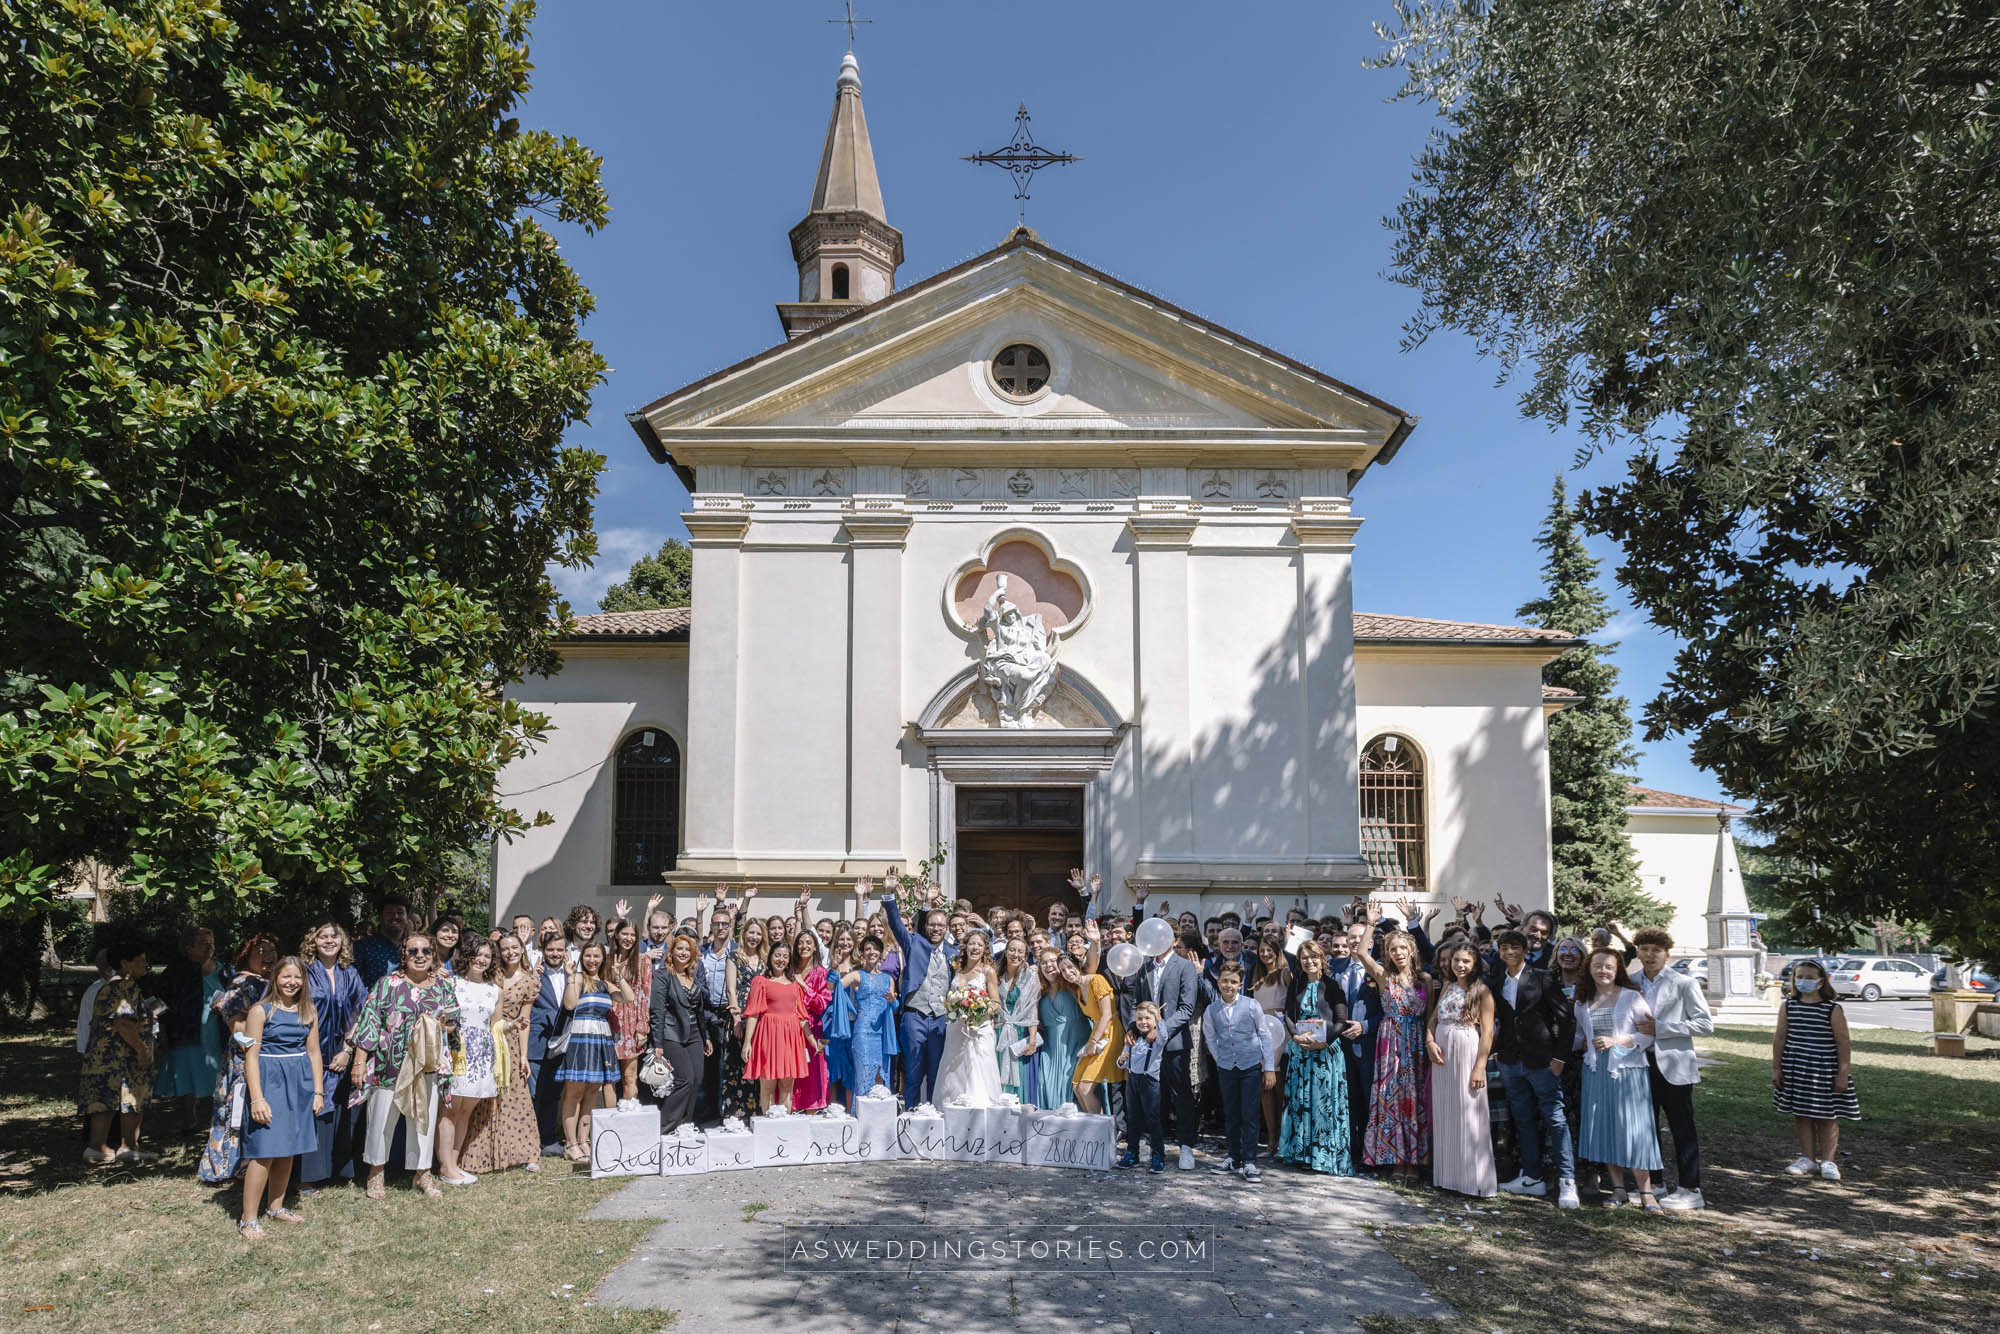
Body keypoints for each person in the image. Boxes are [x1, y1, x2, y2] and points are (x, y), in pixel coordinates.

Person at [351, 932, 460, 1199]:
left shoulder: (443, 987)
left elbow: (454, 1026)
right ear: (404, 954)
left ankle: (422, 1173)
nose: (419, 956)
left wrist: (444, 1025)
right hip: (389, 1064)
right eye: (413, 951)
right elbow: (369, 1022)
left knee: (423, 1120)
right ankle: (376, 1173)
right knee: (381, 1119)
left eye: (426, 951)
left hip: (426, 1065)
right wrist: (359, 1061)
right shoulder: (388, 984)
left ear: (433, 955)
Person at [1487, 927, 1579, 1207]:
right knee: (1522, 1119)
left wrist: (1559, 1058)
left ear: (1525, 951)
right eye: (1504, 948)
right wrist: (1498, 1052)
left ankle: (1567, 1181)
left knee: (1555, 1119)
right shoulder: (1496, 980)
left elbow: (1566, 1019)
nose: (1509, 952)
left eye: (1515, 947)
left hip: (1543, 1061)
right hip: (1510, 1061)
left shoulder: (1542, 977)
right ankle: (1532, 1177)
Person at [1630, 927, 1714, 1210]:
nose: (1650, 955)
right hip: (1639, 1062)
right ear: (1637, 952)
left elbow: (1705, 1024)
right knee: (1646, 1126)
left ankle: (1690, 1187)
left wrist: (1662, 1028)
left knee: (1681, 1126)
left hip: (1674, 1063)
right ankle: (1655, 1183)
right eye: (1644, 949)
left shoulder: (1683, 983)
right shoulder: (1630, 982)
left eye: (1656, 950)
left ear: (1667, 954)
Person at [1574, 947, 1663, 1212]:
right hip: (1595, 1072)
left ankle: (1646, 1192)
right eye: (1597, 966)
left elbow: (1649, 1035)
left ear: (1617, 970)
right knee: (1605, 1128)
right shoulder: (1582, 1001)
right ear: (1589, 969)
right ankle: (1618, 1190)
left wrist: (1617, 1040)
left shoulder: (1631, 997)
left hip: (1628, 1071)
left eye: (1608, 967)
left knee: (1634, 1130)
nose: (1603, 971)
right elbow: (1579, 1037)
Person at [239, 957, 323, 1238]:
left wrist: (318, 1091)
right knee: (264, 1150)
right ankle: (248, 1218)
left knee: (288, 1148)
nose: (292, 982)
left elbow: (314, 1052)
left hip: (299, 1084)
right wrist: (257, 1098)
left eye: (297, 977)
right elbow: (251, 1057)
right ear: (275, 978)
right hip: (270, 1082)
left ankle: (275, 1207)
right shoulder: (260, 1011)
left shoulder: (308, 1011)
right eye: (286, 976)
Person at [1115, 924, 1203, 1170]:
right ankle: (1151, 1145)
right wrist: (1132, 1027)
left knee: (1181, 1095)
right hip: (1145, 1045)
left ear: (1173, 940)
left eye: (1164, 936)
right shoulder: (1144, 966)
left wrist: (1161, 1030)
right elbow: (1137, 1002)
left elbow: (1186, 1008)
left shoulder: (1184, 966)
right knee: (1150, 1096)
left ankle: (1186, 1146)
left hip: (1174, 1043)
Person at [198, 935, 279, 1184]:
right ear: (247, 955)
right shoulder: (243, 982)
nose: (268, 956)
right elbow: (236, 1026)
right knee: (237, 1110)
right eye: (261, 951)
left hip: (262, 1056)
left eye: (272, 951)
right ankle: (232, 1166)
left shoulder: (268, 982)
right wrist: (252, 1050)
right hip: (245, 1059)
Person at [1355, 926, 1431, 1182]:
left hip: (1416, 1044)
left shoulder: (1425, 980)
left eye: (1402, 948)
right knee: (1392, 1097)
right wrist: (1370, 924)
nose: (1398, 953)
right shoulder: (1383, 976)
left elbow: (1430, 1016)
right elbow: (1361, 953)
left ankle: (1415, 1160)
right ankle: (1397, 1158)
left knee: (1415, 1098)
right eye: (1392, 949)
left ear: (1412, 950)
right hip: (1390, 1044)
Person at [1772, 958, 1859, 1179]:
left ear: (1821, 981)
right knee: (1802, 1114)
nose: (1804, 981)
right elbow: (1780, 1038)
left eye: (1810, 977)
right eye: (1800, 977)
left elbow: (1843, 1042)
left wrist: (1843, 1073)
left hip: (1824, 1069)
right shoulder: (1788, 1006)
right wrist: (1776, 1068)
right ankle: (1807, 1159)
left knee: (1827, 1115)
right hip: (1796, 1067)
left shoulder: (1832, 1009)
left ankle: (1829, 1161)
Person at [463, 932, 542, 1175]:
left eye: (515, 947)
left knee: (516, 1097)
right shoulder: (491, 975)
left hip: (511, 1042)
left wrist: (524, 1055)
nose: (510, 952)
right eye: (505, 948)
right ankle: (481, 1154)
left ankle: (525, 1153)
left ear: (522, 949)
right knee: (485, 1097)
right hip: (484, 1038)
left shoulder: (529, 981)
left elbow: (525, 1021)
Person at [1276, 939, 1352, 1176]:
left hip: (1325, 1052)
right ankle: (1301, 1154)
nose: (1309, 961)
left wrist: (1324, 1041)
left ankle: (1323, 1156)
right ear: (1299, 961)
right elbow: (1289, 1015)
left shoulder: (1332, 986)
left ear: (1322, 959)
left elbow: (1341, 1021)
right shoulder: (1296, 984)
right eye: (1304, 958)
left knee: (1323, 1104)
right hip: (1301, 1052)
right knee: (1300, 1101)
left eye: (1313, 957)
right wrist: (1295, 1037)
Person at [1427, 941, 1496, 1197]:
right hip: (1442, 1055)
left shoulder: (1482, 991)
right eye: (1457, 960)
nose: (1460, 965)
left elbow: (1488, 1033)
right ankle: (1449, 1177)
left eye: (1466, 961)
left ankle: (1472, 1180)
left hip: (1467, 1051)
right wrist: (1429, 1042)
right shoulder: (1447, 986)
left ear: (1475, 964)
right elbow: (1433, 1019)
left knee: (1468, 1111)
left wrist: (1480, 1067)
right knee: (1446, 1111)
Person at [299, 923, 365, 1190]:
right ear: (313, 941)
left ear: (342, 941)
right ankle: (306, 1176)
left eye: (334, 936)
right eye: (323, 936)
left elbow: (362, 1011)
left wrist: (347, 1049)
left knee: (338, 1110)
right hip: (308, 1046)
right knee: (313, 1110)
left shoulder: (349, 972)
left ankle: (335, 1170)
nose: (329, 941)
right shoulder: (303, 971)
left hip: (341, 1048)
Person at [79, 940, 155, 1166]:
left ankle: (97, 1147)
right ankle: (128, 1147)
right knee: (131, 1098)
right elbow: (123, 1022)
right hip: (121, 1057)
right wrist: (142, 1049)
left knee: (104, 1101)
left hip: (102, 1056)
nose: (145, 965)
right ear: (125, 963)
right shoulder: (126, 987)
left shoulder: (108, 987)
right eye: (141, 960)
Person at [881, 882, 954, 1107]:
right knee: (913, 1073)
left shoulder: (954, 953)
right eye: (932, 924)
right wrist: (889, 894)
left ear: (947, 928)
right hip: (915, 1016)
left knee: (935, 1073)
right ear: (926, 926)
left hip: (941, 1018)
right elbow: (896, 923)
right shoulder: (914, 943)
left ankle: (932, 1115)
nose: (936, 929)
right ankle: (911, 1114)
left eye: (941, 925)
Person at [1202, 962, 1276, 1180]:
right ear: (1218, 983)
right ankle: (1233, 1157)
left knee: (1249, 1113)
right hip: (1227, 1067)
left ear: (1240, 985)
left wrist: (1269, 1067)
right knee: (1231, 1113)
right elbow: (1210, 1038)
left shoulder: (1252, 1005)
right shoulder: (1211, 1010)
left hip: (1250, 1065)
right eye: (1225, 981)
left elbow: (1264, 1035)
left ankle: (1249, 1161)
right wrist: (1220, 1059)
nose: (1228, 985)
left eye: (1233, 982)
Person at [556, 941, 628, 1161]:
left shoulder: (606, 983)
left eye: (596, 956)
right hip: (581, 1037)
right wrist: (570, 977)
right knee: (574, 1093)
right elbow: (570, 1005)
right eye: (588, 955)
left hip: (600, 1039)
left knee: (591, 1093)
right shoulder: (578, 978)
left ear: (603, 959)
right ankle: (570, 1144)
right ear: (582, 957)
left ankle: (583, 1140)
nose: (592, 960)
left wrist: (619, 976)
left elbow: (628, 997)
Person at [437, 938, 499, 1186]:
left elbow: (496, 1025)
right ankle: (444, 1166)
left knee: (466, 1112)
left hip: (481, 1056)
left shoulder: (495, 990)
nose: (481, 960)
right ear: (467, 956)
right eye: (477, 954)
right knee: (450, 1109)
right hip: (456, 1051)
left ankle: (454, 1164)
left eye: (487, 956)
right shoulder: (451, 983)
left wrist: (513, 1025)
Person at [156, 925, 227, 1135]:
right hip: (185, 1032)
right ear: (189, 947)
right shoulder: (175, 971)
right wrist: (162, 1030)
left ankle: (218, 1117)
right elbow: (158, 1001)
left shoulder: (223, 970)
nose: (209, 948)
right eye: (204, 943)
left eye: (212, 943)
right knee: (187, 1074)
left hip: (216, 1032)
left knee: (218, 1073)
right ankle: (189, 1117)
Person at [933, 929, 1003, 1106]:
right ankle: (951, 1106)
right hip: (956, 1028)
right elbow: (950, 996)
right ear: (965, 947)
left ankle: (980, 1110)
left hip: (979, 1028)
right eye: (972, 943)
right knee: (954, 1069)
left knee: (979, 1070)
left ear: (985, 949)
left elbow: (995, 1002)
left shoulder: (988, 971)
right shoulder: (956, 969)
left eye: (979, 944)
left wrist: (978, 1011)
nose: (975, 947)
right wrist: (952, 1006)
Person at [830, 935, 899, 1106]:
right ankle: (861, 1116)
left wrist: (892, 1000)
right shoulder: (856, 975)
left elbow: (895, 1006)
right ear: (862, 953)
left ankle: (879, 1116)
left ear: (880, 952)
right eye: (867, 949)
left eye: (875, 948)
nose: (871, 952)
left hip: (883, 1034)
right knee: (863, 1077)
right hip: (863, 1033)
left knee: (880, 1077)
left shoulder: (888, 978)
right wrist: (834, 967)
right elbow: (833, 987)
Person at [649, 933, 709, 1130]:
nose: (683, 953)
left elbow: (699, 1010)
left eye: (687, 950)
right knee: (684, 1079)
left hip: (695, 1034)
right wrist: (657, 1043)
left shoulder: (693, 976)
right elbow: (657, 1010)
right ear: (671, 952)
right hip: (671, 1034)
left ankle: (685, 1124)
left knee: (697, 1079)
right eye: (679, 948)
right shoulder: (662, 975)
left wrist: (706, 1036)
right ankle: (665, 1126)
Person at [743, 939, 812, 1112]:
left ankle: (784, 1124)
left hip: (791, 1038)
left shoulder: (795, 985)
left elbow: (802, 1017)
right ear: (770, 957)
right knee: (767, 1085)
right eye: (777, 955)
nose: (781, 959)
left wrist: (812, 1041)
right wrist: (747, 1042)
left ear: (789, 960)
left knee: (787, 1086)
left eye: (785, 956)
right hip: (769, 1036)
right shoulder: (761, 981)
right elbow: (753, 1014)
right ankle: (768, 1123)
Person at [528, 934, 572, 1157]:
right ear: (543, 951)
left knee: (553, 1094)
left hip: (562, 1042)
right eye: (551, 950)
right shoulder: (534, 973)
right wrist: (533, 977)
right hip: (536, 1042)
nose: (555, 954)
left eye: (559, 950)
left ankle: (548, 1140)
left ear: (566, 951)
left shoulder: (572, 974)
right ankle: (529, 1142)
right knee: (533, 1094)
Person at [1250, 938, 1292, 1161]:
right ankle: (1271, 1138)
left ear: (1277, 951)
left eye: (1269, 950)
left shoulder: (1284, 974)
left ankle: (1283, 1141)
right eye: (1262, 950)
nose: (1265, 953)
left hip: (1281, 1032)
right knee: (1264, 1088)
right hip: (1261, 1033)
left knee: (1279, 1087)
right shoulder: (1257, 976)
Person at [1065, 951, 1124, 1114]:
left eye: (1070, 967)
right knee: (1077, 1087)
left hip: (1109, 1032)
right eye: (1063, 970)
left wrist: (1094, 1041)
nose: (1067, 972)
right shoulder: (1078, 990)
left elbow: (1106, 1014)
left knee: (1085, 1089)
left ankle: (1100, 1127)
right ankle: (1092, 1125)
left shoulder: (1097, 980)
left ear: (1078, 965)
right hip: (1096, 1034)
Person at [603, 916, 652, 1110]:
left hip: (632, 1022)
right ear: (616, 934)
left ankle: (628, 1117)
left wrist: (642, 1027)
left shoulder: (643, 960)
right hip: (609, 1021)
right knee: (608, 1078)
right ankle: (608, 1121)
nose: (628, 938)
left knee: (629, 1076)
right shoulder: (606, 958)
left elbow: (645, 996)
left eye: (632, 935)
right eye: (624, 933)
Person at [722, 916, 769, 1120]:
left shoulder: (766, 959)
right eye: (751, 932)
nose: (754, 937)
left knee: (757, 1064)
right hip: (739, 1014)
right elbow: (731, 990)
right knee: (737, 1064)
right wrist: (737, 1019)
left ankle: (757, 1112)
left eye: (758, 933)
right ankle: (735, 1113)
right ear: (744, 934)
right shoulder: (734, 957)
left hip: (761, 1017)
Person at [1117, 1002, 1168, 1172]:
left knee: (1152, 1120)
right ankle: (1132, 1154)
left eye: (1147, 1018)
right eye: (1139, 1019)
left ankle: (1158, 1156)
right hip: (1132, 1080)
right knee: (1133, 1119)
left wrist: (1159, 1022)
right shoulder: (1132, 1038)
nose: (1143, 1022)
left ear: (1155, 1020)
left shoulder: (1157, 1038)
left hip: (1149, 1082)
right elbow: (1122, 1062)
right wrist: (1121, 1060)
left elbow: (1164, 1034)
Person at [789, 929, 835, 1111]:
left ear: (815, 947)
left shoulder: (821, 973)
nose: (804, 946)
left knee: (812, 1073)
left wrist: (804, 986)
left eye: (809, 942)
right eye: (801, 942)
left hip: (813, 1027)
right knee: (791, 1072)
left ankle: (812, 1111)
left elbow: (822, 1004)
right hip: (790, 1026)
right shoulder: (789, 970)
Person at [1036, 946, 1087, 1102]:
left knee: (1072, 1087)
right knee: (1045, 1085)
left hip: (1076, 1043)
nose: (1048, 965)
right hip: (1050, 1049)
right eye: (1044, 963)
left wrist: (1095, 943)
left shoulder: (1073, 985)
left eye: (1052, 961)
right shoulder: (1039, 992)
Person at [994, 936, 1041, 1106]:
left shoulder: (1030, 976)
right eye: (1012, 950)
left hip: (1020, 1032)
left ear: (1025, 955)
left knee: (1019, 1075)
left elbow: (1032, 1009)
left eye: (1020, 951)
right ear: (1005, 952)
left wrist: (1032, 1039)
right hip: (999, 1031)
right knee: (997, 1072)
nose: (1016, 954)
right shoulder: (997, 974)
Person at [354, 897, 410, 988]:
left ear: (407, 917)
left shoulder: (415, 947)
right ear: (380, 917)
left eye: (400, 912)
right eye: (389, 912)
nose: (395, 916)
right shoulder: (363, 947)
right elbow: (353, 983)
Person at [564, 902, 600, 967]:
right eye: (584, 922)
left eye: (592, 922)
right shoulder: (562, 950)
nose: (589, 926)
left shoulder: (603, 951)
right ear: (573, 924)